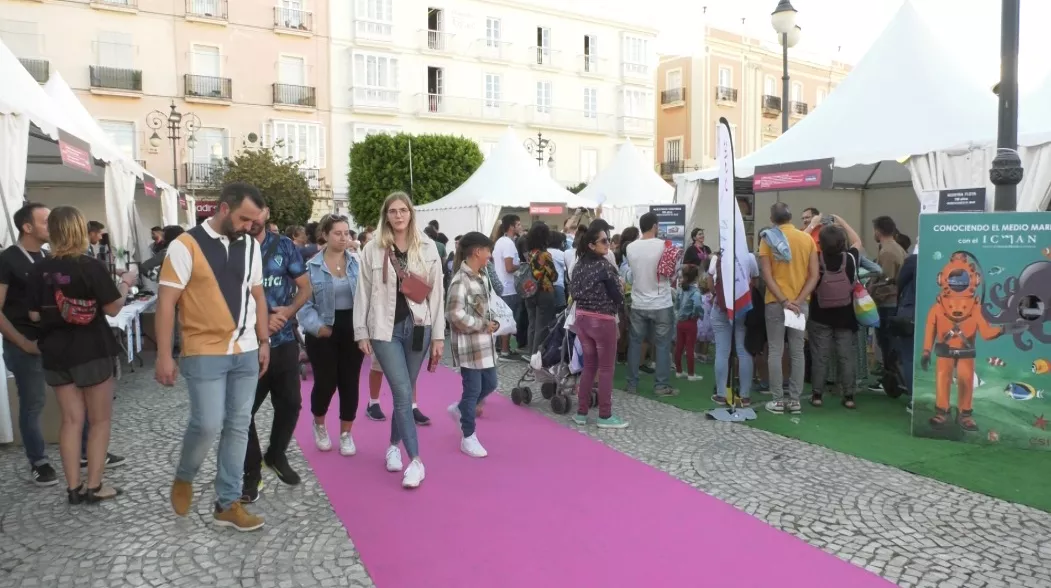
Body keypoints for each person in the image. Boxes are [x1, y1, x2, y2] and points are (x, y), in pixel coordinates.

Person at [156, 182, 269, 531]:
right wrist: (163, 355)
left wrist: (264, 340)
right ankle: (185, 475)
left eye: (255, 222)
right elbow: (166, 304)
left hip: (246, 350)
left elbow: (258, 296)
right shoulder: (185, 245)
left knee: (238, 425)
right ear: (223, 208)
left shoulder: (251, 245)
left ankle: (227, 503)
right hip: (202, 350)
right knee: (206, 424)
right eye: (244, 218)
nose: (250, 226)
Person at [27, 206, 135, 503]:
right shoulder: (89, 266)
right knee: (99, 420)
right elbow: (113, 307)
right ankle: (95, 486)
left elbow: (34, 314)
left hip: (56, 353)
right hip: (92, 350)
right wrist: (126, 284)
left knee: (71, 420)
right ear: (77, 230)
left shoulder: (39, 269)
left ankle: (73, 488)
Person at [354, 192, 445, 489]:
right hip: (384, 330)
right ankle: (416, 461)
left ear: (411, 213)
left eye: (403, 210)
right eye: (392, 211)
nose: (398, 215)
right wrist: (361, 331)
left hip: (419, 328)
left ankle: (393, 444)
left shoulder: (429, 247)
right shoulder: (372, 249)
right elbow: (363, 293)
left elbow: (437, 297)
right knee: (403, 393)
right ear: (386, 215)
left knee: (404, 393)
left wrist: (439, 337)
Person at [241, 207, 312, 503]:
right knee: (242, 412)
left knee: (292, 404)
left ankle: (275, 453)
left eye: (255, 214)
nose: (250, 221)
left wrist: (289, 310)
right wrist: (258, 323)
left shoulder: (284, 246)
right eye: (244, 216)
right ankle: (250, 474)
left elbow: (305, 287)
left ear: (265, 213)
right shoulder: (232, 248)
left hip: (283, 341)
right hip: (245, 345)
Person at [298, 214, 366, 458]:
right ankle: (319, 424)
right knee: (326, 382)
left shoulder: (357, 263)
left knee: (350, 381)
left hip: (353, 329)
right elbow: (302, 304)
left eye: (346, 233)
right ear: (324, 235)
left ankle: (346, 433)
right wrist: (317, 327)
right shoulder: (311, 267)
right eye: (337, 233)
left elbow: (368, 296)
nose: (343, 237)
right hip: (324, 330)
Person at [758, 202, 819, 415]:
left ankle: (777, 399)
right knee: (797, 351)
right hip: (799, 304)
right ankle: (794, 400)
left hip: (776, 302)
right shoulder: (807, 239)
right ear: (791, 217)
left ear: (772, 219)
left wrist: (784, 300)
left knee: (775, 350)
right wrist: (799, 300)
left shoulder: (767, 238)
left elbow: (766, 275)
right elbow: (814, 275)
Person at [445, 232, 499, 457]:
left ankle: (460, 410)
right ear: (478, 251)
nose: (490, 256)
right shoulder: (460, 280)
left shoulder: (482, 276)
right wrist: (481, 324)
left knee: (491, 383)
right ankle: (468, 436)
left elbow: (486, 306)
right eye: (488, 251)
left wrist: (492, 320)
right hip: (470, 347)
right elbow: (454, 314)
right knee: (473, 390)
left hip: (485, 345)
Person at [568, 225, 628, 428]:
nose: (608, 244)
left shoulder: (578, 266)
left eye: (608, 240)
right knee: (605, 369)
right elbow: (617, 297)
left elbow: (574, 293)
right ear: (592, 245)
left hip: (582, 319)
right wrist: (620, 287)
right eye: (604, 241)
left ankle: (581, 412)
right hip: (602, 320)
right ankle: (605, 415)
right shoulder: (604, 266)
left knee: (589, 367)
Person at [807, 220, 864, 409]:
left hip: (820, 313)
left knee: (820, 356)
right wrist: (842, 221)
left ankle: (817, 395)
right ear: (842, 242)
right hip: (845, 315)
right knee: (846, 356)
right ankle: (849, 396)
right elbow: (857, 241)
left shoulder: (815, 258)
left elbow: (802, 242)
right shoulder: (850, 259)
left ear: (820, 243)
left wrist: (814, 224)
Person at [624, 212, 677, 397]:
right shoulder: (665, 246)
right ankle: (661, 385)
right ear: (655, 226)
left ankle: (632, 383)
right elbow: (672, 272)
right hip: (661, 300)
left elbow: (631, 273)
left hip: (639, 301)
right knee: (662, 344)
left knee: (635, 343)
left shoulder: (630, 247)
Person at [707, 248, 759, 407]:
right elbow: (754, 280)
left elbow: (710, 280)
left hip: (721, 308)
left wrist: (716, 296)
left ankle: (721, 394)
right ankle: (745, 396)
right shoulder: (749, 257)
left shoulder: (717, 258)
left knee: (722, 352)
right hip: (742, 307)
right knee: (743, 351)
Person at [867, 216, 907, 393]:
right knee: (890, 344)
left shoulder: (888, 252)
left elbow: (886, 282)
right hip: (893, 303)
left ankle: (891, 382)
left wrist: (871, 293)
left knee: (887, 344)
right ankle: (893, 380)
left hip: (887, 304)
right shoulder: (897, 248)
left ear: (878, 230)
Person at [524, 222, 558, 355]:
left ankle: (530, 355)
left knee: (532, 325)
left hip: (529, 291)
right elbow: (553, 276)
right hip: (544, 291)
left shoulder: (530, 253)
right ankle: (536, 360)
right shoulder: (544, 255)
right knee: (542, 327)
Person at [492, 214, 523, 359]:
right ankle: (505, 350)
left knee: (501, 317)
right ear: (511, 227)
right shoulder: (509, 244)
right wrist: (522, 265)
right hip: (508, 287)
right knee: (507, 319)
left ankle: (501, 348)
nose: (520, 227)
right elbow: (509, 267)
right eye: (518, 224)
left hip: (501, 286)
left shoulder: (500, 241)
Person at [673, 264, 703, 381]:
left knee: (679, 346)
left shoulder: (680, 290)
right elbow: (698, 306)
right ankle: (691, 374)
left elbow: (677, 305)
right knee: (690, 348)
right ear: (695, 278)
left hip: (680, 321)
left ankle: (679, 371)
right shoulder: (696, 292)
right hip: (690, 322)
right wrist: (697, 314)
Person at [547, 231, 567, 311]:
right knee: (560, 313)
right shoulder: (560, 254)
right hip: (557, 286)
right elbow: (568, 266)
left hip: (545, 287)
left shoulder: (543, 252)